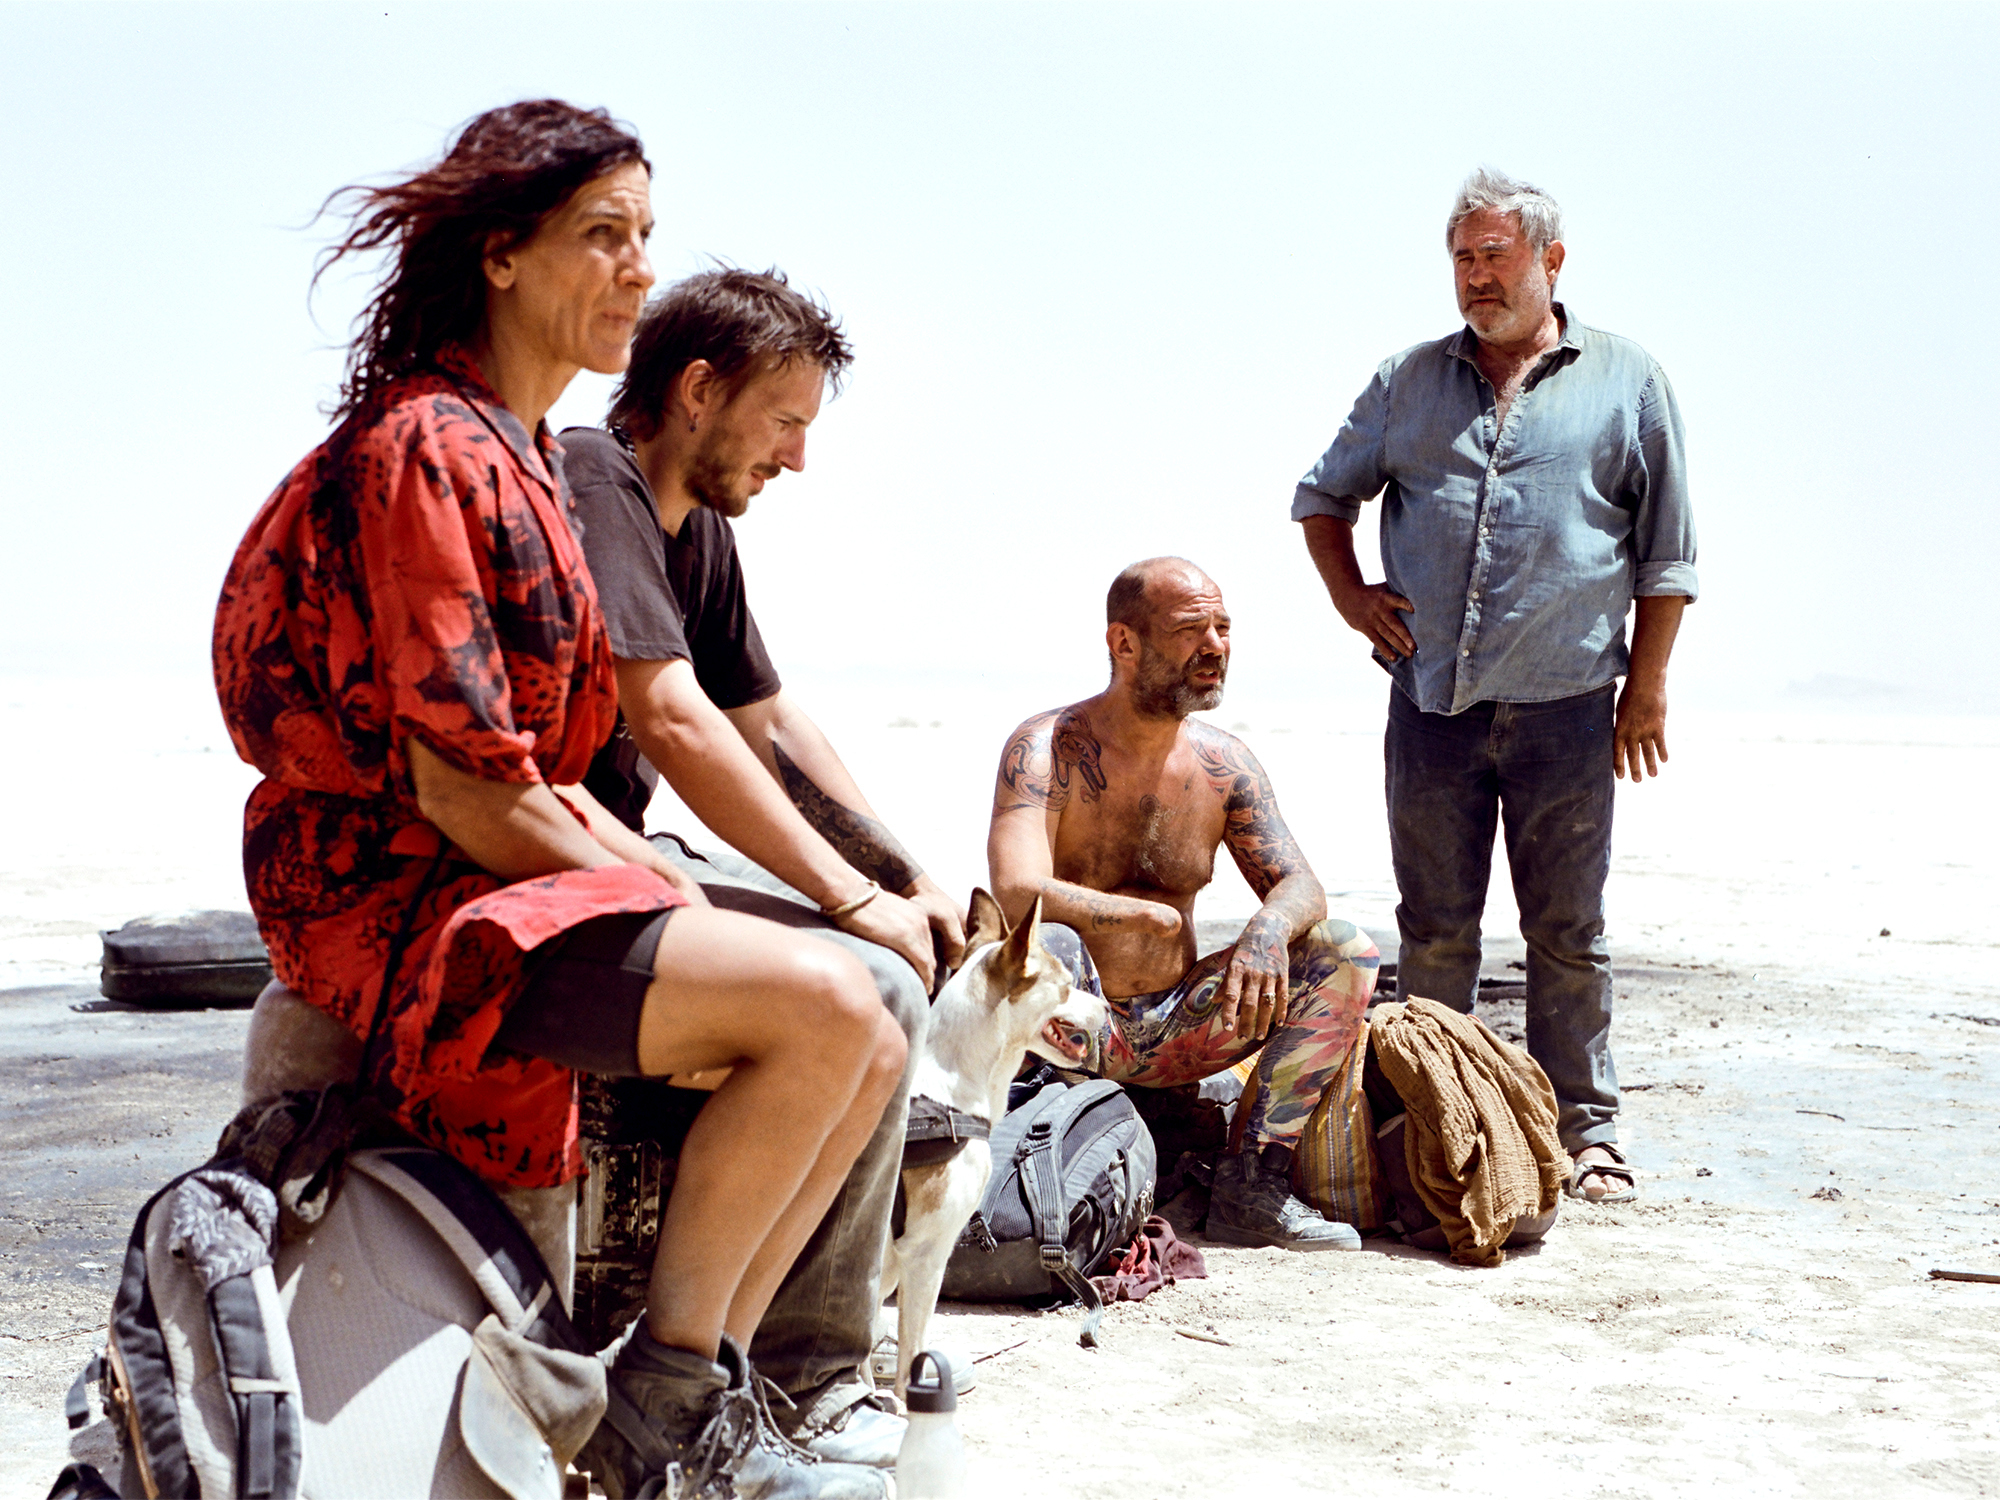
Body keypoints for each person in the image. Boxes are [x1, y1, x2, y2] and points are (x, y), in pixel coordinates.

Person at [212, 101, 895, 1500]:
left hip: (502, 877)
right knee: (821, 1010)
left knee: (870, 1018)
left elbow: (549, 774)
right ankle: (658, 1420)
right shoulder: (429, 449)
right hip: (401, 901)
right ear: (502, 252)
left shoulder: (520, 452)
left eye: (647, 236)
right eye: (604, 235)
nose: (640, 268)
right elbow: (468, 787)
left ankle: (703, 1393)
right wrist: (684, 912)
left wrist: (682, 898)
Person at [559, 268, 964, 1467]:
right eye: (783, 422)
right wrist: (848, 902)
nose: (796, 457)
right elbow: (677, 725)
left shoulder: (703, 532)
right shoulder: (596, 478)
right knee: (864, 980)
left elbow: (769, 724)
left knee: (882, 971)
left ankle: (754, 1376)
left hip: (630, 866)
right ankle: (791, 1372)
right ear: (695, 390)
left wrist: (904, 875)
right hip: (555, 872)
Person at [1293, 167, 1698, 1205]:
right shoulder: (1406, 380)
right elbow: (1319, 497)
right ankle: (1432, 1120)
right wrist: (1351, 601)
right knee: (1433, 928)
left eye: (1494, 257)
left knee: (1568, 930)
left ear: (1549, 261)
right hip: (1430, 707)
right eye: (1462, 260)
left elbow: (1665, 555)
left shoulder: (1626, 379)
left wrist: (1642, 692)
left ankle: (1586, 1132)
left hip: (1568, 708)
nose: (1475, 277)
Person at [985, 557, 1379, 1251]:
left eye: (1224, 627)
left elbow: (1302, 885)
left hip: (1178, 1030)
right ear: (1124, 643)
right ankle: (1046, 1162)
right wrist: (1142, 916)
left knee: (1341, 948)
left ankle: (1254, 1188)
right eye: (1193, 628)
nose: (1216, 645)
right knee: (1055, 945)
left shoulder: (1225, 764)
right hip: (1068, 1029)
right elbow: (1016, 889)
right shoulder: (1046, 746)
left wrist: (1266, 929)